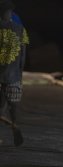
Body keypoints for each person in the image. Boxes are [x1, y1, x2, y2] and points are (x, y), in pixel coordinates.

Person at [0, 0, 29, 146]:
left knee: (1, 105)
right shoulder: (19, 27)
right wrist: (20, 73)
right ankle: (15, 125)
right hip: (13, 75)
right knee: (13, 106)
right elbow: (23, 53)